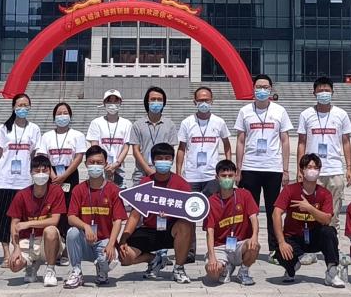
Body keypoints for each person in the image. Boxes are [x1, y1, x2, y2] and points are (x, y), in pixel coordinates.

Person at [118, 142, 194, 284]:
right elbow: (134, 215)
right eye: (159, 158)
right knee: (124, 257)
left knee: (185, 225)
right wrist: (123, 238)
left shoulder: (181, 184)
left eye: (167, 158)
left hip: (171, 229)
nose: (163, 161)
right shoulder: (145, 182)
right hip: (149, 229)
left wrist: (171, 212)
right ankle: (155, 259)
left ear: (172, 160)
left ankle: (179, 268)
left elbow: (188, 211)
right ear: (153, 161)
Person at [234, 73, 292, 256]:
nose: (262, 90)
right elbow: (240, 141)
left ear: (271, 89)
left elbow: (285, 140)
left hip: (273, 168)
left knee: (273, 210)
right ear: (253, 89)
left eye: (265, 87)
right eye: (258, 87)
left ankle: (274, 248)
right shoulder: (245, 111)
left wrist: (285, 170)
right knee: (249, 210)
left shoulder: (279, 111)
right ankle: (247, 246)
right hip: (250, 167)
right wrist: (238, 169)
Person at [272, 153, 345, 287]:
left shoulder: (324, 193)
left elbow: (327, 219)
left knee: (329, 231)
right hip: (294, 237)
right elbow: (276, 213)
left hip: (315, 236)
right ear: (302, 170)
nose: (312, 171)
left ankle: (332, 272)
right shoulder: (290, 190)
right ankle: (292, 268)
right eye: (309, 167)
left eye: (316, 168)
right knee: (280, 249)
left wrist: (310, 208)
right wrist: (282, 242)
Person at [176, 85, 231, 261]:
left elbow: (227, 145)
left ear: (212, 101)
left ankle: (215, 249)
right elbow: (181, 149)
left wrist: (228, 167)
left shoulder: (219, 122)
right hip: (191, 176)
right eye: (200, 100)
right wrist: (178, 173)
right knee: (189, 215)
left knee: (214, 214)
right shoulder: (187, 122)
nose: (204, 103)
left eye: (206, 100)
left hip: (211, 177)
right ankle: (189, 251)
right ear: (194, 102)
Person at [63, 146, 126, 288]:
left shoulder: (113, 190)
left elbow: (118, 220)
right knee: (72, 232)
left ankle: (102, 270)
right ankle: (76, 271)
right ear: (86, 164)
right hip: (85, 240)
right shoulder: (79, 189)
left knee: (109, 259)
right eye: (92, 162)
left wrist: (111, 244)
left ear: (105, 164)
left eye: (99, 162)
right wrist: (85, 226)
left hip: (103, 241)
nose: (95, 166)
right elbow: (71, 217)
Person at [297, 76, 351, 230]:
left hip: (334, 170)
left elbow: (346, 142)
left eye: (327, 90)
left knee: (333, 213)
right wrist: (300, 169)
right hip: (312, 170)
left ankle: (332, 242)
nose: (324, 93)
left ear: (332, 92)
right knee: (311, 210)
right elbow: (301, 142)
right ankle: (313, 243)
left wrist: (349, 168)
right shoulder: (306, 114)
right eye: (320, 90)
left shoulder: (341, 114)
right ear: (314, 93)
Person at [0, 93, 42, 265]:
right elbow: (0, 153)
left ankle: (19, 249)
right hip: (5, 180)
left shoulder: (34, 128)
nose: (22, 108)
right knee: (3, 218)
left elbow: (35, 154)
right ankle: (6, 252)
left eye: (26, 105)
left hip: (24, 180)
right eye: (19, 105)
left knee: (22, 218)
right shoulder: (4, 128)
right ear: (13, 107)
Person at [5, 154, 66, 286]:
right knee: (14, 265)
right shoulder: (21, 195)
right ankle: (31, 265)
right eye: (37, 171)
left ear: (50, 172)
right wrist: (16, 248)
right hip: (27, 241)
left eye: (45, 170)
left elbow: (54, 220)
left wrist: (28, 224)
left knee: (51, 230)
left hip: (46, 241)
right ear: (31, 172)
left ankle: (50, 270)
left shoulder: (56, 191)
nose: (41, 174)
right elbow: (14, 224)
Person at [37, 102, 87, 260]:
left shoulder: (77, 135)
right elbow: (43, 157)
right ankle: (53, 247)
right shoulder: (47, 136)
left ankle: (67, 249)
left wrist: (65, 175)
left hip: (69, 174)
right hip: (51, 174)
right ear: (54, 117)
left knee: (69, 209)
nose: (62, 116)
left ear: (70, 116)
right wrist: (52, 176)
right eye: (59, 113)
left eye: (65, 113)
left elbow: (78, 157)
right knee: (53, 209)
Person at [203, 159, 259, 285]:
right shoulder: (211, 201)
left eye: (230, 175)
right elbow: (209, 231)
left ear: (235, 176)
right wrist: (212, 257)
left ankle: (243, 271)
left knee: (254, 246)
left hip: (239, 244)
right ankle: (225, 267)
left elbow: (253, 217)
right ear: (217, 177)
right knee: (212, 272)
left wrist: (254, 236)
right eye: (223, 176)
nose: (227, 179)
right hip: (220, 247)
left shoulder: (245, 194)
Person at [129, 86, 179, 187]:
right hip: (142, 173)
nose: (156, 102)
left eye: (159, 99)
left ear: (164, 102)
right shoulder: (138, 125)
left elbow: (170, 151)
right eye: (153, 99)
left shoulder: (170, 125)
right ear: (147, 102)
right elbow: (135, 150)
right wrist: (148, 170)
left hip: (163, 172)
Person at [86, 89, 133, 186]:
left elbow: (126, 147)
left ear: (120, 102)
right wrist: (104, 164)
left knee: (118, 193)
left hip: (119, 169)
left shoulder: (127, 123)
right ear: (104, 103)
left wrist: (116, 164)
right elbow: (94, 146)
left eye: (115, 101)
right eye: (109, 101)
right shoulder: (96, 123)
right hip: (100, 167)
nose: (112, 104)